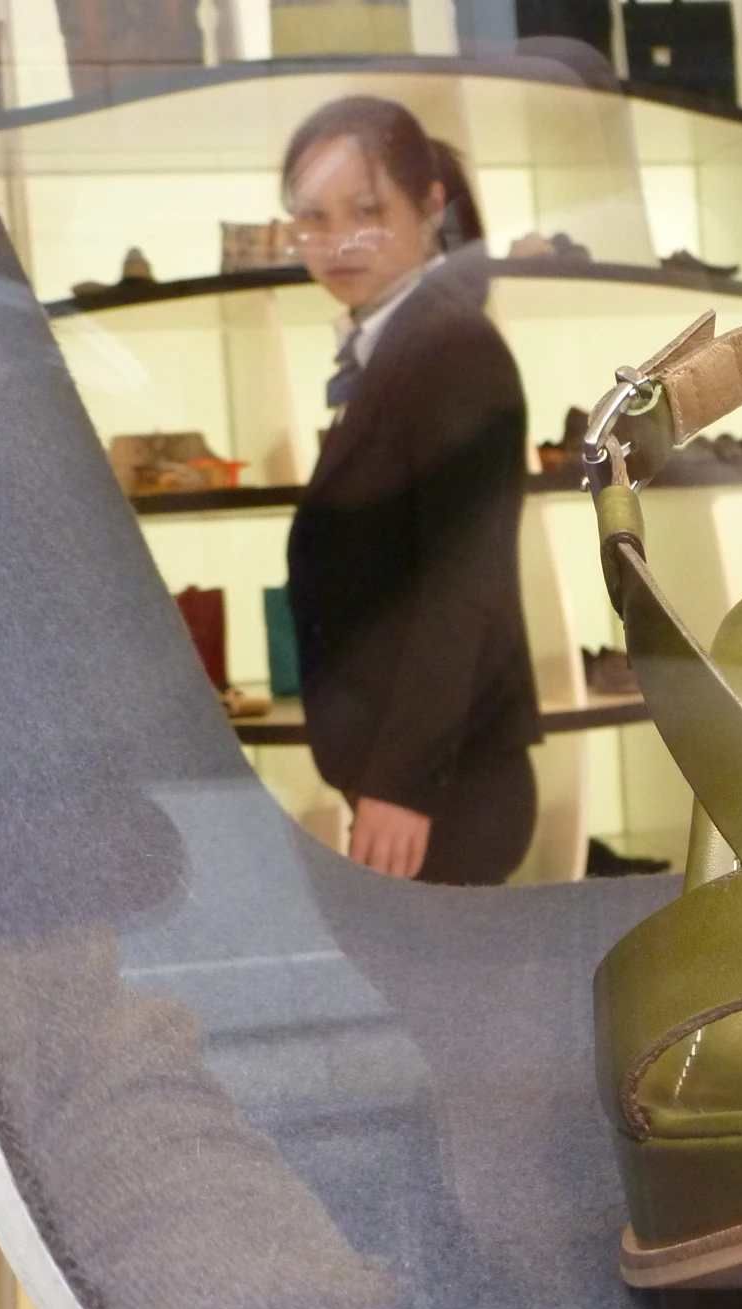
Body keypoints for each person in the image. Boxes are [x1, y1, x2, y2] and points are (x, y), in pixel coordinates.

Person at [282, 97, 541, 885]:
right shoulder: (403, 340)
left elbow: (464, 588)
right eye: (312, 217)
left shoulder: (449, 347)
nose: (338, 240)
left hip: (442, 788)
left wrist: (400, 783)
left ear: (431, 207)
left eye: (367, 209)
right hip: (422, 781)